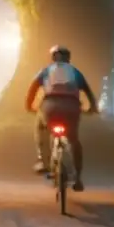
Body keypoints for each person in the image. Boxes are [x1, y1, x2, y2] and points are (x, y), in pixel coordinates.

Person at [24, 44, 98, 192]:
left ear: (52, 58)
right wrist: (92, 108)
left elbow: (33, 89)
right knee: (74, 140)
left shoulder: (46, 71)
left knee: (41, 126)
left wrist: (29, 106)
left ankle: (43, 161)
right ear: (68, 58)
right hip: (71, 107)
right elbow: (88, 92)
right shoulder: (75, 72)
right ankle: (77, 178)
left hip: (50, 106)